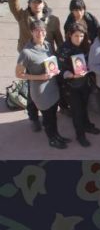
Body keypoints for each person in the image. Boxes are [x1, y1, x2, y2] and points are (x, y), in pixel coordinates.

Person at [16, 19, 70, 149]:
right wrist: (39, 76)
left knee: (53, 115)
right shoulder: (26, 53)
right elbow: (19, 74)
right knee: (48, 118)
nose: (40, 33)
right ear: (31, 32)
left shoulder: (47, 45)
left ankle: (57, 135)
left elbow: (51, 62)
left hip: (52, 87)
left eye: (42, 30)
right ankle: (52, 139)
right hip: (40, 92)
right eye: (36, 31)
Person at [57, 21, 100, 146]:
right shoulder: (63, 49)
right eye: (76, 36)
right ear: (70, 35)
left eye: (81, 36)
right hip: (70, 87)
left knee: (84, 107)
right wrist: (70, 75)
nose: (79, 39)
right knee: (76, 111)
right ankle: (80, 135)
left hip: (84, 83)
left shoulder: (86, 45)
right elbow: (58, 69)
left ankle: (87, 126)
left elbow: (91, 61)